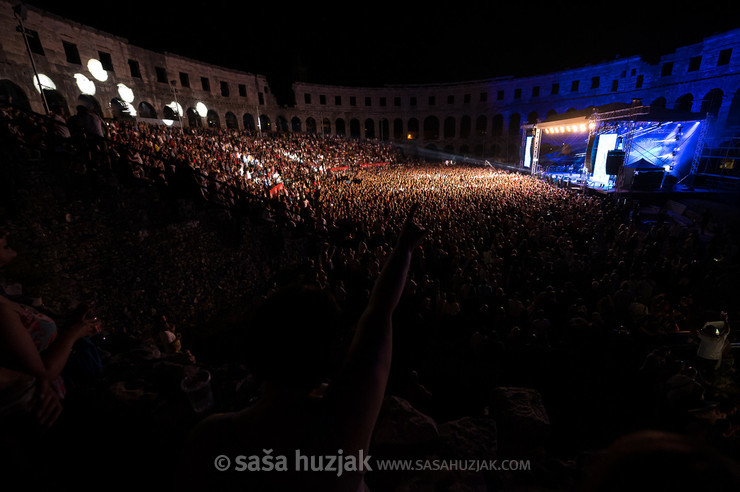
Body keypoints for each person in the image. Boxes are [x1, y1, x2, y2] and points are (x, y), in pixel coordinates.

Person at [177, 203, 426, 491]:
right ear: (329, 356)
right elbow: (379, 311)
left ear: (256, 348)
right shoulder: (343, 428)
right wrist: (405, 247)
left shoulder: (209, 437)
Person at [0, 228, 100, 430]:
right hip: (48, 409)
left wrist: (70, 323)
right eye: (2, 242)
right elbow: (43, 372)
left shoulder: (3, 297)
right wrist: (73, 333)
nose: (6, 232)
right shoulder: (1, 310)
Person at [694, 312, 731, 382]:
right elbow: (726, 330)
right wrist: (725, 320)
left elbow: (696, 332)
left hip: (702, 357)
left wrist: (703, 329)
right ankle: (710, 385)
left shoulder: (705, 337)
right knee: (710, 374)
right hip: (714, 359)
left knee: (698, 373)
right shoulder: (721, 338)